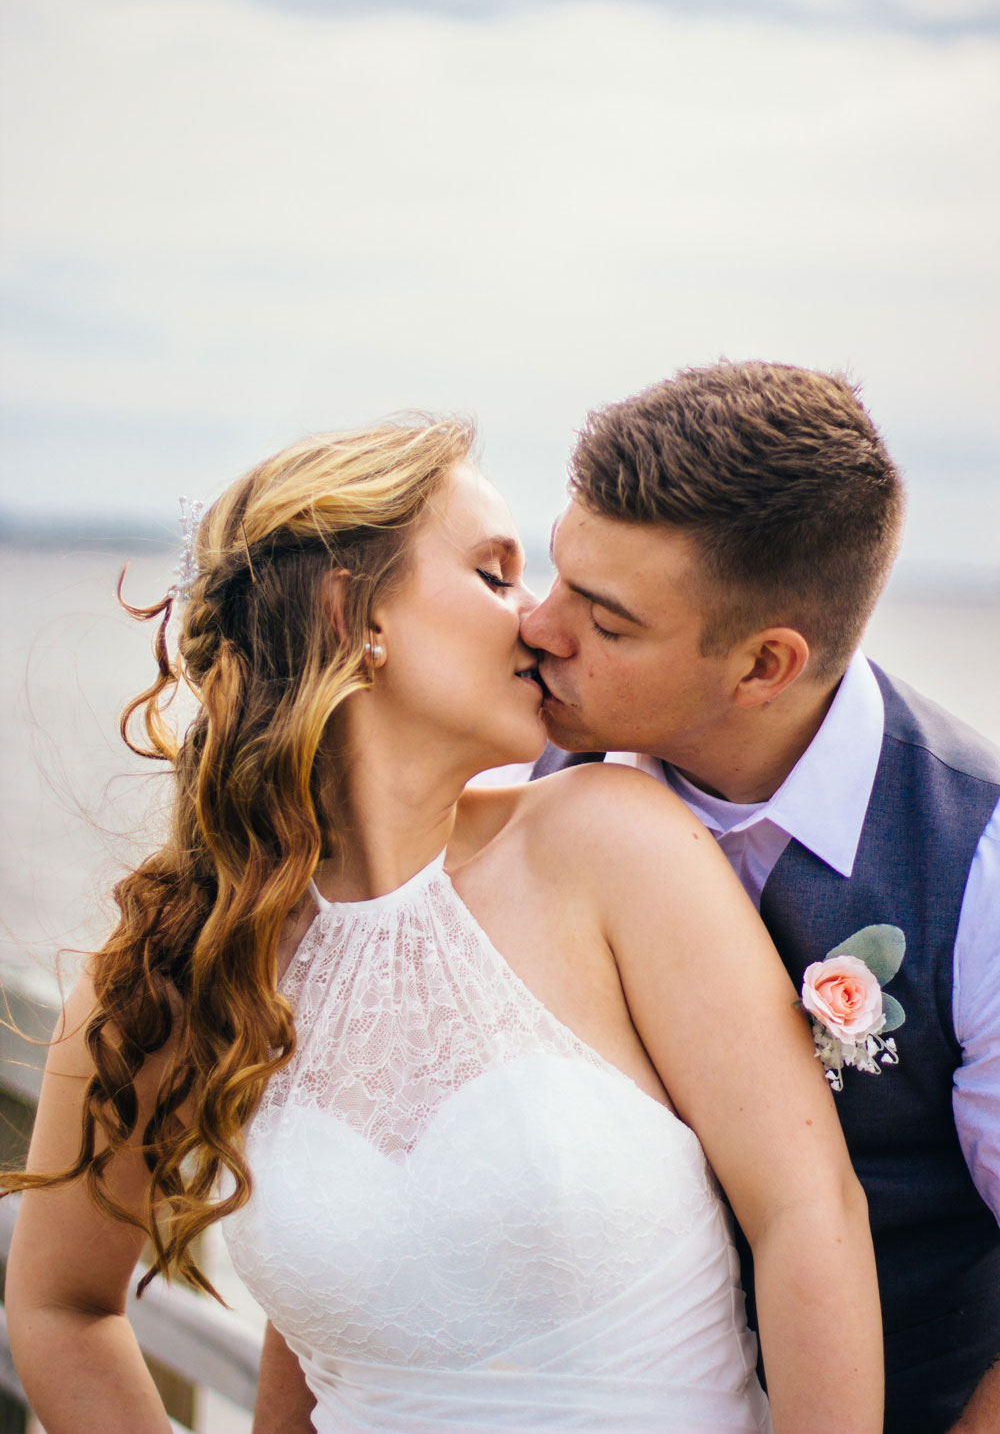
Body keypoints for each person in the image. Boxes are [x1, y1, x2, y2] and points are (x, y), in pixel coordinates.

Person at [2, 417, 883, 1434]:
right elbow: (62, 1306)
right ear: (353, 612)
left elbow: (807, 1213)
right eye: (495, 574)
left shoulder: (610, 843)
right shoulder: (178, 963)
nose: (541, 621)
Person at [516, 360, 1000, 1434]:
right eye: (555, 575)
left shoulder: (979, 861)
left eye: (604, 619)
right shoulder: (513, 795)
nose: (539, 630)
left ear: (763, 666)